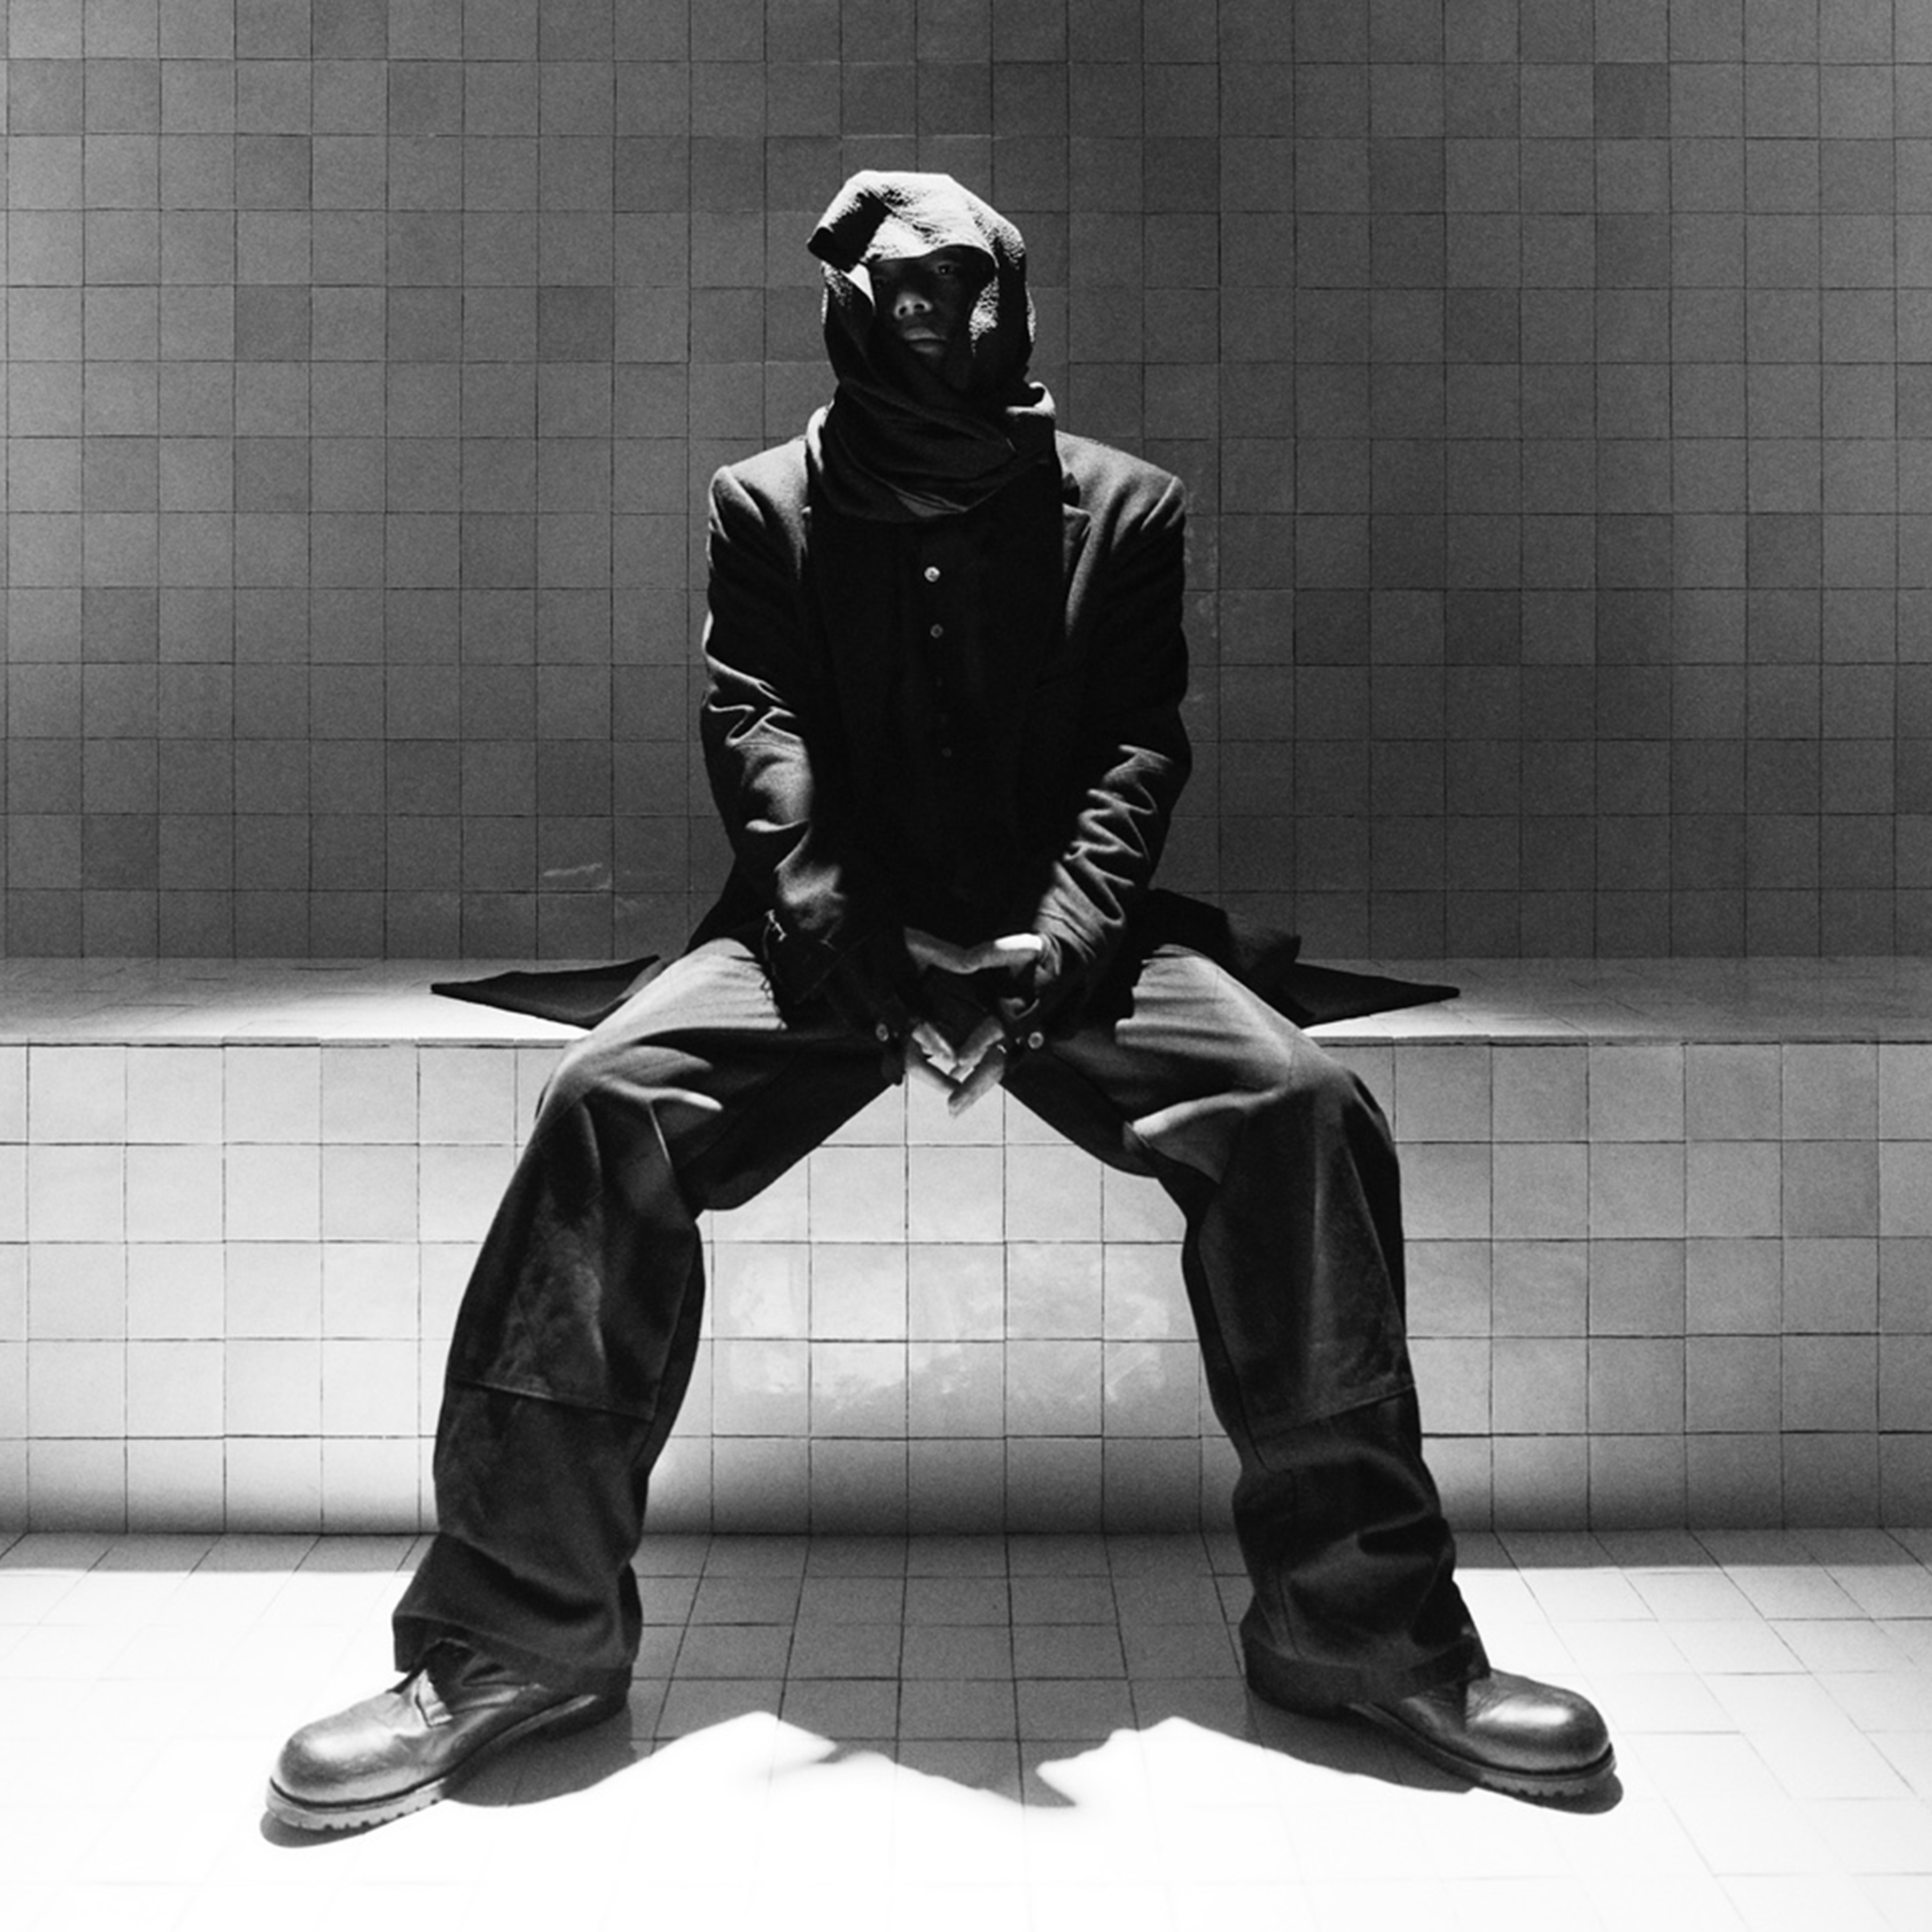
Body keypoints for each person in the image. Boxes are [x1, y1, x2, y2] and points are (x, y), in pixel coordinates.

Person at [268, 173, 1612, 1831]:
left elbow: (1134, 752)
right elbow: (761, 743)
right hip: (824, 946)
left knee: (1301, 1108)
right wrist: (875, 963)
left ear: (1015, 301)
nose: (945, 327)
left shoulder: (1126, 508)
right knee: (608, 1104)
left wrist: (1051, 955)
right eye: (909, 299)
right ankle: (512, 1642)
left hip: (1067, 943)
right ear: (853, 309)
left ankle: (1364, 1630)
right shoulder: (765, 505)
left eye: (971, 295)